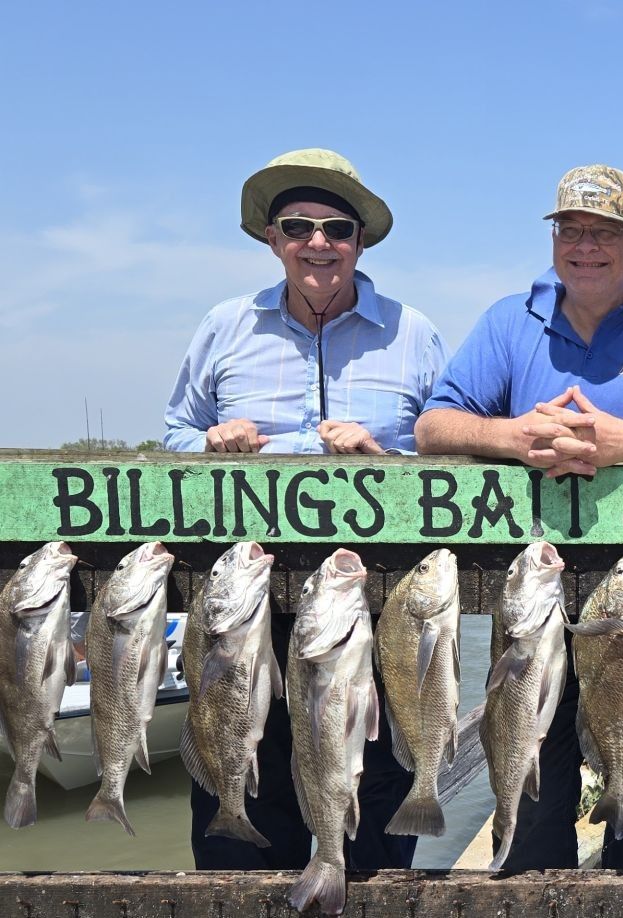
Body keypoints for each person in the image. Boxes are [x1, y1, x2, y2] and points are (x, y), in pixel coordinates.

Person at [416, 163, 623, 869]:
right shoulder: (509, 320)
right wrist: (510, 436)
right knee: (532, 782)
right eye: (570, 230)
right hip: (532, 602)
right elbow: (434, 427)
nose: (585, 246)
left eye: (605, 233)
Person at [163, 148, 448, 872]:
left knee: (371, 801)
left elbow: (449, 453)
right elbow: (173, 435)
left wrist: (385, 458)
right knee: (240, 786)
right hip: (243, 611)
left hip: (375, 611)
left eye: (337, 228)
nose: (318, 242)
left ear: (361, 240)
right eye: (298, 226)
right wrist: (208, 444)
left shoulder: (414, 332)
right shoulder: (224, 325)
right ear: (272, 239)